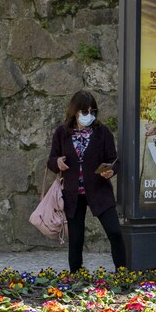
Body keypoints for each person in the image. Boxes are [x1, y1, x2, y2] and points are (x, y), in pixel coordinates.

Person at [47, 90, 126, 273]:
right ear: (75, 111)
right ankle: (76, 277)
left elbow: (114, 160)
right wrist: (57, 162)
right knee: (76, 239)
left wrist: (111, 171)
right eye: (85, 111)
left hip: (99, 190)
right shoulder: (62, 133)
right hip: (73, 194)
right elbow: (51, 160)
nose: (89, 115)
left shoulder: (102, 132)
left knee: (115, 232)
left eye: (93, 111)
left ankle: (123, 274)